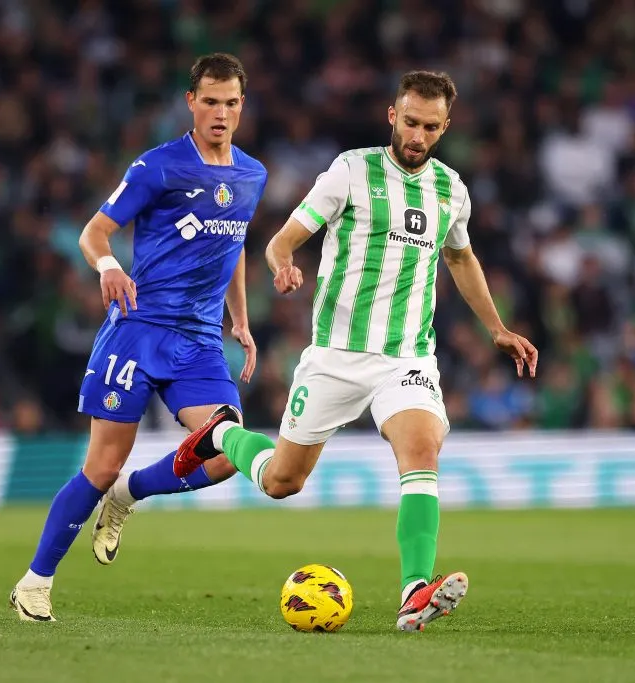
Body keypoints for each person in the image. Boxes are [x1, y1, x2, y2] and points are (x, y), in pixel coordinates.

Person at [173, 71, 538, 632]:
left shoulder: (451, 190)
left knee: (421, 450)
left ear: (445, 127)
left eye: (430, 127)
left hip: (407, 359)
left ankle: (415, 591)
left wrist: (496, 328)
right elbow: (281, 240)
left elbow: (460, 259)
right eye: (410, 122)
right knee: (280, 483)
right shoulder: (352, 170)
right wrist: (283, 264)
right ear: (393, 115)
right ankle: (221, 434)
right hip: (335, 357)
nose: (417, 135)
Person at [9, 53, 267, 622]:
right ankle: (34, 582)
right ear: (191, 103)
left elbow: (236, 247)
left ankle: (129, 496)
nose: (220, 113)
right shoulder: (158, 166)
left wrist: (241, 321)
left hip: (199, 341)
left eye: (230, 103)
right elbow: (94, 232)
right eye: (210, 101)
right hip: (138, 331)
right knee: (99, 465)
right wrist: (107, 266)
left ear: (241, 106)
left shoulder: (252, 174)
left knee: (225, 453)